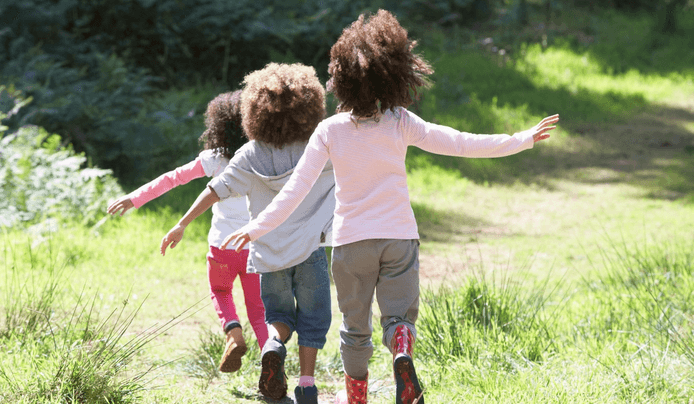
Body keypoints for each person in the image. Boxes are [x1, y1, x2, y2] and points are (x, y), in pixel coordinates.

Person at [221, 10, 560, 404]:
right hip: (399, 238)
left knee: (354, 331)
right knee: (399, 318)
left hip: (351, 245)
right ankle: (401, 346)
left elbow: (294, 191)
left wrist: (257, 227)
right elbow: (459, 141)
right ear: (394, 74)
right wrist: (520, 139)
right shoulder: (400, 121)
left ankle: (358, 399)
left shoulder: (329, 131)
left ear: (339, 78)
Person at [159, 62, 334, 404]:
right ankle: (308, 385)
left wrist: (182, 223)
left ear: (255, 111)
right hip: (309, 251)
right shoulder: (316, 147)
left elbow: (215, 189)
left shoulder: (249, 154)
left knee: (278, 318)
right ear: (307, 107)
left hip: (268, 255)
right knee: (314, 318)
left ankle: (272, 346)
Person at [106, 90, 268, 373]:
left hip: (222, 247)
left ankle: (233, 332)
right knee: (258, 309)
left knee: (220, 290)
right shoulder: (263, 156)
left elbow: (173, 178)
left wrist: (135, 197)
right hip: (256, 246)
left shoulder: (215, 159)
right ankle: (272, 362)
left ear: (218, 126)